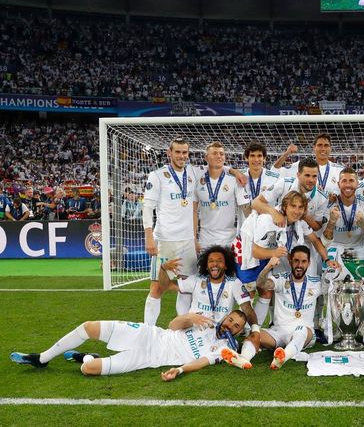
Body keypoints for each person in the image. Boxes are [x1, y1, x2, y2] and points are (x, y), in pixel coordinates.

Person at [11, 310, 247, 380]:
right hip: (149, 335)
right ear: (226, 317)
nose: (231, 325)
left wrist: (181, 369)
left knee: (88, 370)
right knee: (89, 326)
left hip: (149, 358)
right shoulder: (204, 321)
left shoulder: (224, 350)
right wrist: (189, 317)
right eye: (231, 320)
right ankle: (41, 358)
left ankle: (86, 357)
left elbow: (202, 361)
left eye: (236, 326)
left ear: (238, 331)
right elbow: (173, 325)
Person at [223, 246, 322, 370]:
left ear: (309, 263)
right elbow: (260, 284)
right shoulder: (281, 279)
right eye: (296, 261)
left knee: (301, 330)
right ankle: (243, 359)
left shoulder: (316, 283)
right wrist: (268, 266)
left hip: (304, 334)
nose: (299, 265)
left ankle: (283, 357)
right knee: (255, 333)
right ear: (290, 261)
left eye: (303, 261)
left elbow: (335, 288)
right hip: (278, 332)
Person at [250, 191, 337, 324]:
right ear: (285, 206)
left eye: (300, 207)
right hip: (252, 255)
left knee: (284, 289)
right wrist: (273, 253)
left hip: (280, 258)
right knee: (265, 291)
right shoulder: (269, 220)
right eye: (293, 206)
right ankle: (254, 330)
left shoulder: (299, 222)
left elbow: (315, 241)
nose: (297, 211)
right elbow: (255, 251)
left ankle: (283, 323)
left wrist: (327, 260)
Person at [142, 137, 199, 326]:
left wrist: (233, 171)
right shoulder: (157, 176)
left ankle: (181, 330)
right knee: (157, 287)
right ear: (169, 153)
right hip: (165, 240)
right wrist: (149, 236)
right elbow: (147, 207)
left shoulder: (192, 172)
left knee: (186, 287)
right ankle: (148, 333)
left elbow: (217, 167)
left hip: (188, 241)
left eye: (185, 152)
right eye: (178, 152)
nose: (182, 156)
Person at [157, 245, 257, 327]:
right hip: (194, 329)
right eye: (211, 261)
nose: (215, 264)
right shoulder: (197, 279)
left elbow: (247, 309)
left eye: (219, 261)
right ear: (206, 265)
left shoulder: (234, 283)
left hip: (220, 332)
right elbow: (166, 286)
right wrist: (163, 268)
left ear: (226, 266)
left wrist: (255, 331)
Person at [323, 167, 364, 282]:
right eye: (344, 181)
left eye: (351, 181)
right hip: (335, 250)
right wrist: (331, 223)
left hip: (358, 251)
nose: (348, 185)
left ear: (357, 184)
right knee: (333, 288)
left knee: (363, 287)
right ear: (338, 184)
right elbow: (325, 240)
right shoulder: (329, 204)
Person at [192, 141, 249, 253]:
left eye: (221, 154)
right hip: (205, 239)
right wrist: (194, 238)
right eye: (214, 153)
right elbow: (193, 211)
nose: (219, 156)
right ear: (206, 157)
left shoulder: (234, 180)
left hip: (229, 239)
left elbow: (246, 208)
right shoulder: (197, 179)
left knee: (229, 270)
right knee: (206, 270)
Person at [273, 134, 343, 196]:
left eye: (326, 145)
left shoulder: (340, 170)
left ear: (330, 148)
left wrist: (335, 196)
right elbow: (275, 171)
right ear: (314, 148)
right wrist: (287, 153)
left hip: (331, 210)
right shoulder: (302, 165)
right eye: (320, 145)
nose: (323, 149)